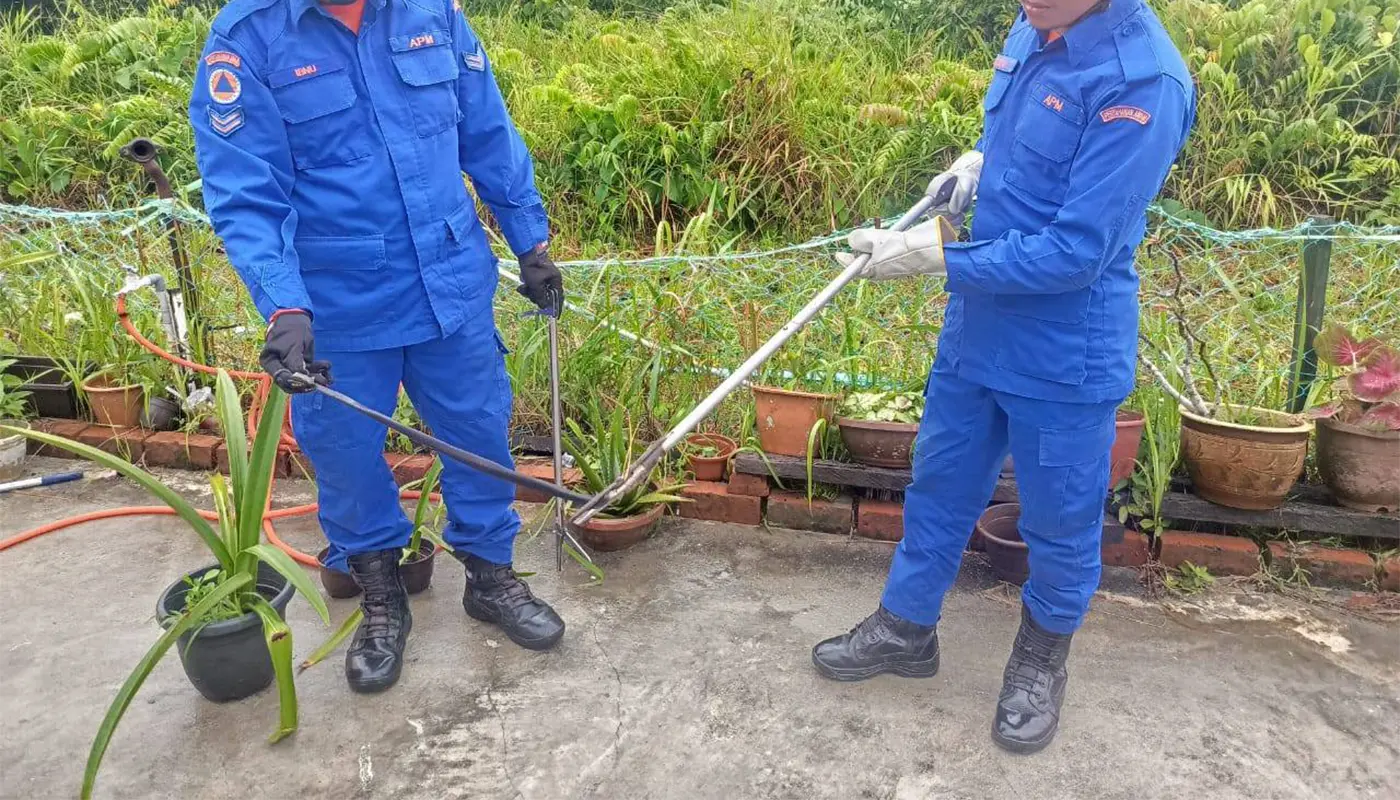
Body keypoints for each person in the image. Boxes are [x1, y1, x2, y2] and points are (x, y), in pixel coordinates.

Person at [814, 0, 1196, 753]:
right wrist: (975, 173)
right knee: (940, 485)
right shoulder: (1036, 22)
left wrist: (935, 257)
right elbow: (1031, 153)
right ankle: (906, 627)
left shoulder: (1144, 81)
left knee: (1057, 520)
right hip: (980, 329)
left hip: (1063, 350)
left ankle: (1040, 662)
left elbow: (1075, 252)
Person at [189, 0, 566, 694]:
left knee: (478, 428)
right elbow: (246, 192)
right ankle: (381, 596)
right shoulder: (247, 38)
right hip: (338, 306)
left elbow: (487, 132)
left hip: (449, 283)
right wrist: (285, 304)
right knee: (345, 452)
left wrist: (530, 240)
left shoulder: (432, 13)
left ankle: (490, 578)